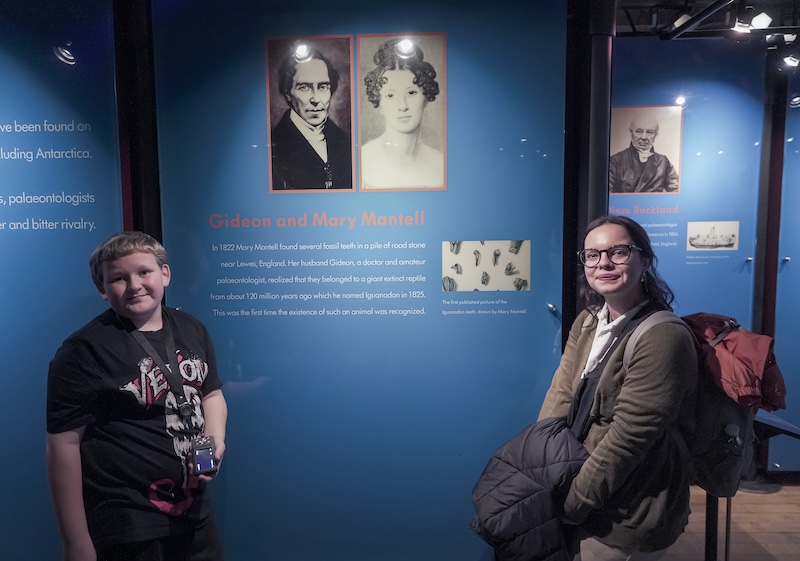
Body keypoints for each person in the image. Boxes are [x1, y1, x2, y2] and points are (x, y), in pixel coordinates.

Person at [46, 231, 227, 561]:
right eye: (118, 278)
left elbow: (210, 393)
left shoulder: (192, 329)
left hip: (195, 512)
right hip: (128, 520)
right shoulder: (84, 350)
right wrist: (75, 541)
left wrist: (214, 439)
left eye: (144, 272)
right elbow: (63, 445)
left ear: (165, 274)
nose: (135, 285)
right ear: (102, 288)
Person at [538, 215, 698, 560]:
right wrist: (540, 470)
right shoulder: (588, 321)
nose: (604, 263)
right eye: (592, 255)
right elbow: (561, 394)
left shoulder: (663, 335)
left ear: (645, 260)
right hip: (581, 486)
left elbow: (629, 438)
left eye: (619, 252)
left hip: (627, 510)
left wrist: (571, 504)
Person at [361, 38, 444, 189]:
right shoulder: (362, 159)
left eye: (411, 93)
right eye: (390, 96)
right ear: (378, 103)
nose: (403, 106)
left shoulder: (440, 162)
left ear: (426, 97)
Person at [270, 46, 352, 190]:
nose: (315, 99)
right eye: (304, 87)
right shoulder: (274, 147)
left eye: (323, 87)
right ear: (288, 92)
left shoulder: (345, 141)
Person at [609, 114, 679, 193]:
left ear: (655, 135)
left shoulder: (663, 162)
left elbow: (677, 191)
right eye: (639, 131)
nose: (644, 137)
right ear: (631, 132)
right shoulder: (615, 161)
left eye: (649, 132)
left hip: (653, 205)